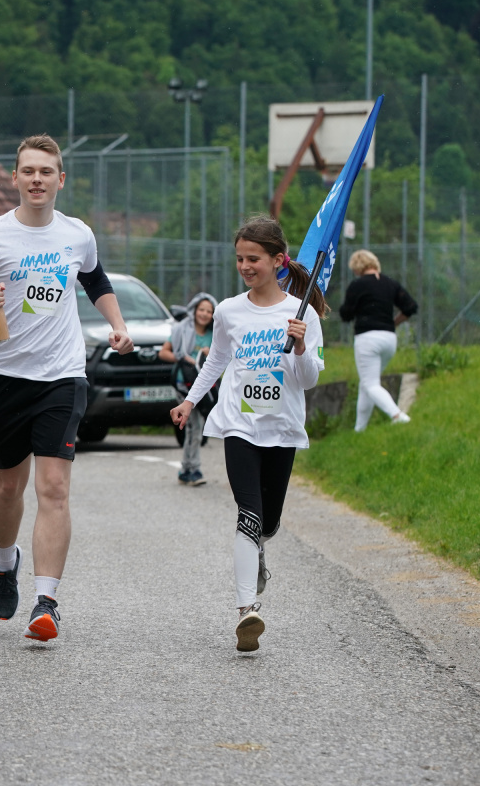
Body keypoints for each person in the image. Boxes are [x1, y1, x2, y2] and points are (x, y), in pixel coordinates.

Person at [0, 134, 134, 642]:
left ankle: (46, 601)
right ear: (13, 178)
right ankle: (5, 561)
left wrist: (117, 324)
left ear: (60, 179)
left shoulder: (77, 235)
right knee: (8, 487)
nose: (37, 179)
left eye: (46, 171)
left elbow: (95, 281)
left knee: (53, 488)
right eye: (28, 171)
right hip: (4, 377)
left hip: (62, 376)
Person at [170, 216, 326, 653]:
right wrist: (189, 401)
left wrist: (300, 347)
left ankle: (258, 549)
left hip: (282, 427)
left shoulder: (303, 314)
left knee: (268, 522)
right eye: (239, 258)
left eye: (253, 259)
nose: (244, 266)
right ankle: (246, 611)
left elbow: (308, 379)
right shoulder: (228, 310)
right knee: (248, 514)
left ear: (278, 260)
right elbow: (217, 361)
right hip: (239, 424)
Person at [339, 249, 417, 431]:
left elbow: (346, 314)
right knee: (366, 384)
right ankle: (360, 430)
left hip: (367, 339)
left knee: (370, 384)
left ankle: (398, 416)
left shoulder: (357, 285)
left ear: (357, 267)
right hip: (389, 338)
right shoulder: (390, 283)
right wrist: (393, 322)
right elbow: (410, 307)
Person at [160, 293, 217, 486]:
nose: (204, 314)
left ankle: (186, 469)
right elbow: (164, 352)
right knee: (194, 426)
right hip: (183, 384)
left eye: (209, 311)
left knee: (195, 427)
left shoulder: (214, 334)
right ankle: (193, 469)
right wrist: (183, 359)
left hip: (203, 386)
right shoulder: (181, 330)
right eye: (201, 309)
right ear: (194, 310)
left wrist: (208, 354)